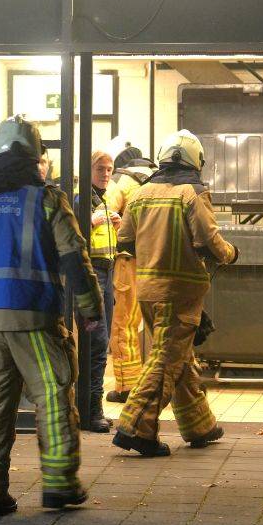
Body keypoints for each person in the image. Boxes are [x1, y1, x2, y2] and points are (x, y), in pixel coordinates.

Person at [0, 115, 104, 519]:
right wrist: (90, 310)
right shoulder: (45, 199)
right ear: (36, 156)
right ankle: (60, 485)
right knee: (53, 396)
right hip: (34, 316)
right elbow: (74, 260)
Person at [112, 130, 237, 457]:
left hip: (147, 291)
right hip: (180, 293)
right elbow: (209, 241)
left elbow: (124, 241)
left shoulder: (139, 194)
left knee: (178, 355)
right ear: (196, 161)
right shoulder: (192, 194)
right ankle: (136, 425)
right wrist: (230, 254)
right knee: (166, 359)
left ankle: (199, 424)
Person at [104, 143, 156, 403]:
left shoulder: (120, 183)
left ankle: (126, 386)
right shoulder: (155, 181)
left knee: (123, 324)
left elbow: (104, 215)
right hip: (155, 263)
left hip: (127, 262)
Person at [75, 151, 119, 432]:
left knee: (100, 344)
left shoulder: (100, 199)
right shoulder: (82, 201)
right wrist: (91, 222)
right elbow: (74, 237)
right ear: (88, 170)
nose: (105, 174)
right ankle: (92, 411)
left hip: (107, 274)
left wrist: (115, 224)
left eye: (109, 169)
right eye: (100, 169)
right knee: (97, 345)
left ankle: (88, 409)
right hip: (93, 277)